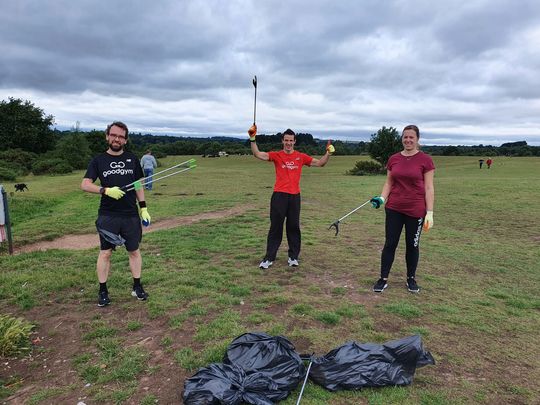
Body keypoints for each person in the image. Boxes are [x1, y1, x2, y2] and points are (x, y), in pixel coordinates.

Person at [81, 121, 151, 307]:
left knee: (134, 251)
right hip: (108, 215)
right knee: (105, 253)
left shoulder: (132, 159)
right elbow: (85, 184)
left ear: (125, 140)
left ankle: (137, 286)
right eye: (113, 135)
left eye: (121, 136)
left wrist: (143, 207)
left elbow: (138, 184)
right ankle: (103, 290)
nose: (116, 139)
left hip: (130, 215)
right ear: (107, 136)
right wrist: (105, 190)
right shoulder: (98, 160)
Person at [248, 124, 334, 269]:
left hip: (294, 197)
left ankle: (293, 257)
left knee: (293, 227)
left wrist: (328, 153)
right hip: (279, 196)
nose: (288, 143)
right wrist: (252, 138)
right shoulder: (276, 155)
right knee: (275, 227)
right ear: (282, 141)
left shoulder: (301, 157)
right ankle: (269, 258)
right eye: (286, 140)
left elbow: (320, 163)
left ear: (294, 141)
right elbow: (257, 154)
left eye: (291, 140)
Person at [370, 125, 435, 293]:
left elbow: (429, 188)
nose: (408, 140)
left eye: (411, 137)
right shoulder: (394, 159)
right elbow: (389, 182)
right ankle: (383, 278)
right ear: (402, 139)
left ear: (417, 139)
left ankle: (411, 279)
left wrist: (430, 213)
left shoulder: (425, 160)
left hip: (416, 210)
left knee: (412, 246)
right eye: (405, 137)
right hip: (394, 209)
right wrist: (382, 198)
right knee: (390, 244)